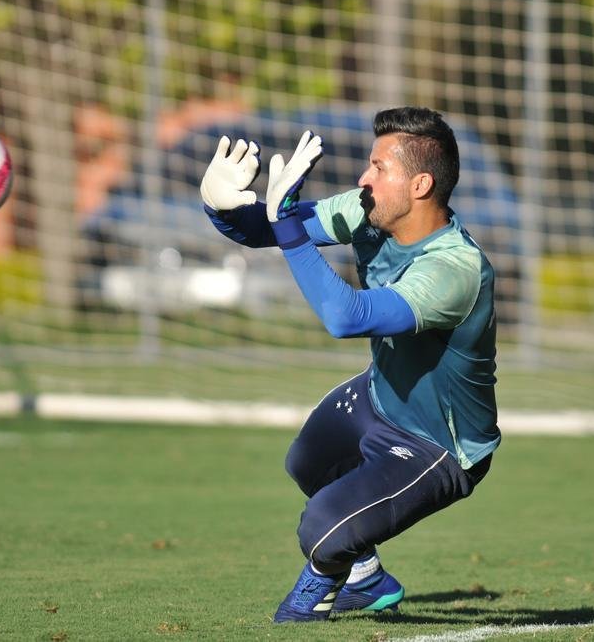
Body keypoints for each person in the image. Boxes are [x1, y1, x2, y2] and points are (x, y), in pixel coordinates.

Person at [200, 106, 500, 623]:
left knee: (319, 531)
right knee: (306, 462)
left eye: (379, 168)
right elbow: (269, 228)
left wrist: (284, 224)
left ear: (421, 184)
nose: (364, 177)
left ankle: (322, 581)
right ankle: (365, 580)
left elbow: (346, 317)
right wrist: (220, 205)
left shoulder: (454, 269)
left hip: (438, 444)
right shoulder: (369, 210)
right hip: (379, 396)